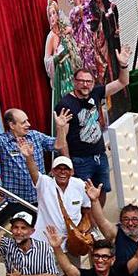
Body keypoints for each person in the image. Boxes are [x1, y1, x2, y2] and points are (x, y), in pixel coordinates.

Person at [56, 50, 131, 207]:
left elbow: (122, 82)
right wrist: (69, 163)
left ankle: (98, 222)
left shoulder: (95, 93)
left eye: (89, 82)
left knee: (101, 190)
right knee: (84, 197)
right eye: (82, 81)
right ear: (74, 82)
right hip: (80, 159)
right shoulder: (66, 104)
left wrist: (123, 64)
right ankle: (87, 226)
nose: (85, 85)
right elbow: (63, 139)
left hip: (100, 155)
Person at [0, 106, 69, 204]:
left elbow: (58, 145)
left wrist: (61, 128)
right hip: (16, 200)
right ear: (12, 125)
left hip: (40, 196)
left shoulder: (35, 136)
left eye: (27, 121)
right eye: (23, 122)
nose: (28, 124)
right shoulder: (2, 141)